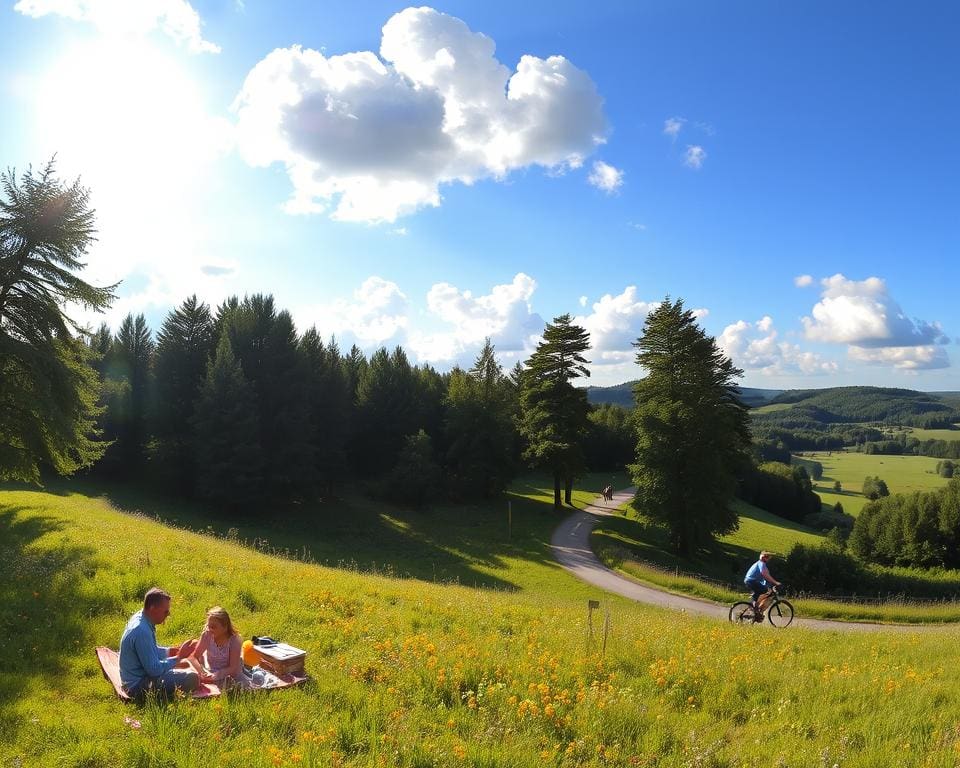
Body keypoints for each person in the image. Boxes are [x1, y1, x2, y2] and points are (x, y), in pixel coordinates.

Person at [119, 587, 199, 701]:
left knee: (184, 666)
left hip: (132, 677)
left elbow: (148, 651)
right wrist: (179, 657)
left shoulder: (141, 619)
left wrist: (170, 651)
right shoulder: (141, 631)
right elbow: (154, 670)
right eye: (165, 611)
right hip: (137, 686)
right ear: (152, 608)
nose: (168, 614)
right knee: (192, 678)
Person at [185, 606, 248, 688]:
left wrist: (214, 676)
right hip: (211, 670)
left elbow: (233, 668)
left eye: (213, 627)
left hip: (230, 674)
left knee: (233, 686)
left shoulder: (234, 640)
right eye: (208, 626)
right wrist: (202, 672)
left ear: (225, 627)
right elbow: (193, 657)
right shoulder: (207, 635)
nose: (210, 629)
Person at [743, 551, 781, 621]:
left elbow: (765, 578)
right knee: (764, 591)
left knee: (765, 590)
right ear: (764, 558)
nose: (769, 559)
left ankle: (755, 608)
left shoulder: (761, 564)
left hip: (750, 581)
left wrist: (770, 584)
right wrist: (775, 582)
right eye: (768, 557)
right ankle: (755, 608)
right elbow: (764, 574)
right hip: (751, 581)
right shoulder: (761, 564)